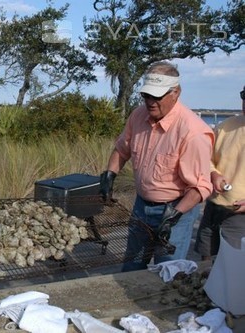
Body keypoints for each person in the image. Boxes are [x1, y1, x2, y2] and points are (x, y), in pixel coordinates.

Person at [99, 61, 214, 272]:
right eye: (146, 96)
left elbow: (201, 187)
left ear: (176, 92)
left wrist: (173, 216)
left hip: (176, 210)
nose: (150, 102)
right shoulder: (138, 116)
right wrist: (109, 175)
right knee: (132, 267)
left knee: (167, 272)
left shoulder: (194, 132)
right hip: (141, 206)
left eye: (157, 96)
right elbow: (121, 150)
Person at [194, 85, 245, 260]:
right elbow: (205, 159)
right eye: (244, 95)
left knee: (233, 266)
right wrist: (214, 174)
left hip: (240, 217)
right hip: (213, 208)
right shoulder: (225, 127)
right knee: (205, 262)